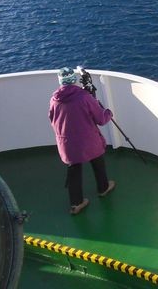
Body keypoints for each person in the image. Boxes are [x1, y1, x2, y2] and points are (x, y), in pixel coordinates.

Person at [49, 67, 116, 215]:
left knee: (74, 170)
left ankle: (76, 204)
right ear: (74, 80)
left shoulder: (54, 99)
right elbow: (100, 119)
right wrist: (108, 113)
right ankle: (103, 188)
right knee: (97, 162)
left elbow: (52, 119)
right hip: (88, 140)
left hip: (67, 143)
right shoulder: (84, 97)